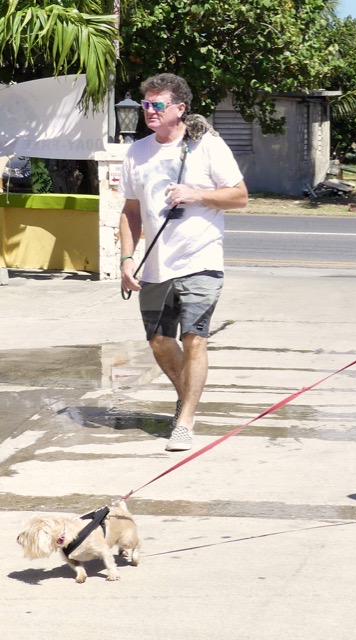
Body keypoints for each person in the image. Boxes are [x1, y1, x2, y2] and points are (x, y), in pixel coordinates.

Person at [119, 73, 248, 452]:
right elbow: (130, 212)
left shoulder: (206, 145)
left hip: (201, 257)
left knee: (194, 338)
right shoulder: (137, 152)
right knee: (160, 341)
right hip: (156, 264)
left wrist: (196, 194)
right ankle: (187, 394)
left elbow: (239, 196)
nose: (149, 111)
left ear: (180, 108)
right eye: (146, 104)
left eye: (157, 105)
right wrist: (127, 259)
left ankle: (185, 421)